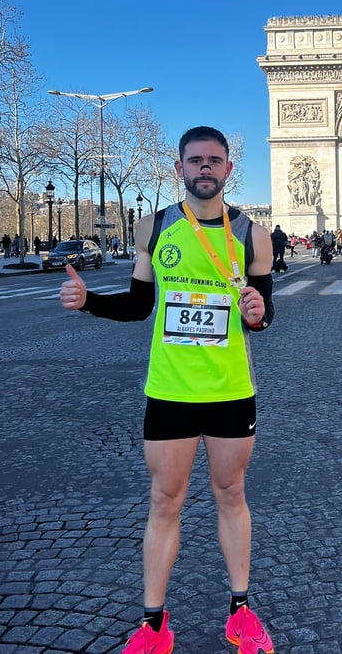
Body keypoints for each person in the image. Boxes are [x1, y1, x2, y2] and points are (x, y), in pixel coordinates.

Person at [59, 126, 275, 654]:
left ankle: (240, 612)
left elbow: (262, 314)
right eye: (195, 160)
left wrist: (260, 314)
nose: (205, 168)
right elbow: (139, 305)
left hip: (229, 389)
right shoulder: (152, 228)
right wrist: (89, 300)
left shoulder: (253, 234)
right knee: (164, 502)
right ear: (178, 167)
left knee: (232, 496)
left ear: (228, 169)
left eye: (214, 161)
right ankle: (153, 625)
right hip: (171, 390)